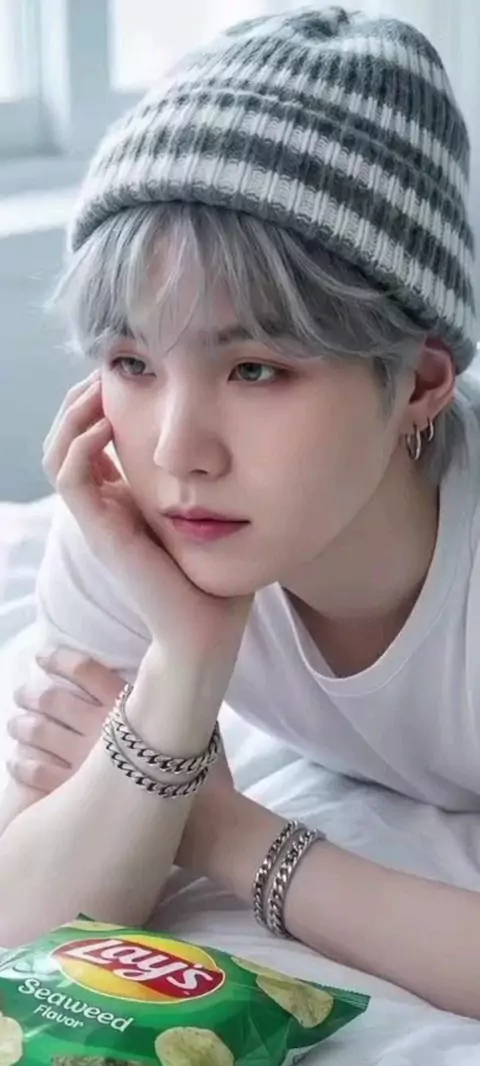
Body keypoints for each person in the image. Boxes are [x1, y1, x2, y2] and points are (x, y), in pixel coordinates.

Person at [1, 4, 480, 1019]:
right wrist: (185, 660)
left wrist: (228, 834)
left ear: (420, 381)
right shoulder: (129, 517)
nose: (177, 450)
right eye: (133, 362)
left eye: (256, 368)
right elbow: (28, 919)